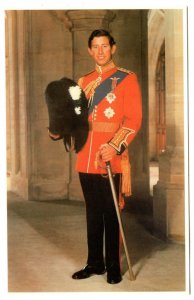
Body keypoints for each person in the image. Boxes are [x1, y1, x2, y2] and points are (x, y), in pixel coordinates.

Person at [72, 29, 142, 284]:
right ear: (90, 50)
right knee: (92, 211)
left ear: (113, 48)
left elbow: (134, 119)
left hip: (110, 156)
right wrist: (60, 130)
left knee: (111, 212)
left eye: (105, 46)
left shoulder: (127, 79)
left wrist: (115, 146)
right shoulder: (83, 81)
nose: (100, 51)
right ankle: (94, 262)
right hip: (85, 156)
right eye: (95, 46)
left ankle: (113, 265)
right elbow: (77, 120)